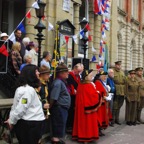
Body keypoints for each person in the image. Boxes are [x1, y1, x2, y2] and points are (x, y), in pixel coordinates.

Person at [5, 64, 45, 144]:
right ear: (30, 74)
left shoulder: (26, 89)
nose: (38, 73)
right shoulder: (28, 91)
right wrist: (12, 121)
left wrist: (11, 120)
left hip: (30, 124)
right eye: (36, 71)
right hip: (30, 125)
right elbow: (21, 107)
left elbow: (16, 106)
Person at [72, 69, 100, 144]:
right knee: (87, 124)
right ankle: (87, 137)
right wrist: (98, 94)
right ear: (86, 77)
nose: (92, 77)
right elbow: (93, 97)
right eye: (90, 76)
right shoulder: (89, 85)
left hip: (80, 107)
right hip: (87, 108)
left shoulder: (80, 85)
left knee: (81, 123)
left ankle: (80, 135)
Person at [50, 63, 71, 144]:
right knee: (58, 124)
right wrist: (51, 106)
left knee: (61, 124)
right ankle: (55, 140)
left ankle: (57, 139)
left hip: (62, 107)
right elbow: (54, 97)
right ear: (61, 73)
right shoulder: (58, 83)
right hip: (59, 108)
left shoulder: (62, 82)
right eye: (66, 72)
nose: (68, 73)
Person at [94, 71, 111, 136]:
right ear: (100, 76)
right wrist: (104, 96)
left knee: (102, 117)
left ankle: (100, 130)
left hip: (103, 103)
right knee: (100, 117)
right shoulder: (98, 82)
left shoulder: (101, 82)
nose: (105, 77)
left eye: (106, 76)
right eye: (104, 76)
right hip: (100, 104)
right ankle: (98, 130)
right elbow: (98, 92)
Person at [67, 63, 82, 132]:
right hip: (71, 96)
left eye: (80, 71)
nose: (79, 73)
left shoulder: (78, 76)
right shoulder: (70, 75)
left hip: (76, 96)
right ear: (75, 69)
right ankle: (69, 126)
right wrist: (73, 90)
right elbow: (69, 85)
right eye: (78, 71)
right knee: (70, 111)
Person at [113, 61, 126, 125]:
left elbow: (124, 81)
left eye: (120, 65)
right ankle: (112, 119)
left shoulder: (122, 72)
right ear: (115, 65)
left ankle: (117, 119)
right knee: (114, 106)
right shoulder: (113, 71)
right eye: (118, 65)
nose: (119, 66)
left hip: (122, 91)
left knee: (119, 105)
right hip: (116, 89)